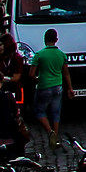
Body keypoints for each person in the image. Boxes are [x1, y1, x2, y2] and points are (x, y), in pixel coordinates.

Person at [29, 27, 68, 162]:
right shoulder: (62, 55)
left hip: (44, 86)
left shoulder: (39, 55)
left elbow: (31, 74)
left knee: (40, 111)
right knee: (56, 112)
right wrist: (70, 88)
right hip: (58, 86)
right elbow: (66, 73)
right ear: (56, 40)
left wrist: (38, 79)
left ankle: (49, 131)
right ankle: (55, 136)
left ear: (45, 40)